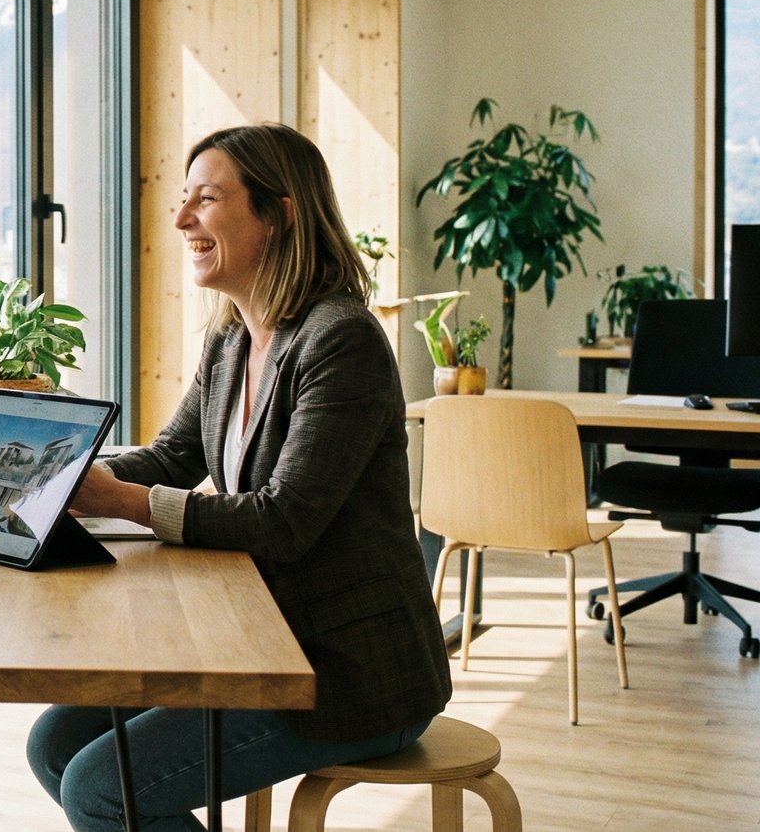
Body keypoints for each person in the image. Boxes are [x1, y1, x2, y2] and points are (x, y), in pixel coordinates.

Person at [27, 122, 451, 832]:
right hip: (257, 647)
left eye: (207, 198)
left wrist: (117, 499)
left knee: (101, 787)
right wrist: (55, 474)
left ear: (280, 214)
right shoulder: (231, 337)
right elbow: (168, 458)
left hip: (347, 675)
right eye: (183, 197)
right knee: (56, 744)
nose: (182, 217)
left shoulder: (340, 339)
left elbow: (283, 520)